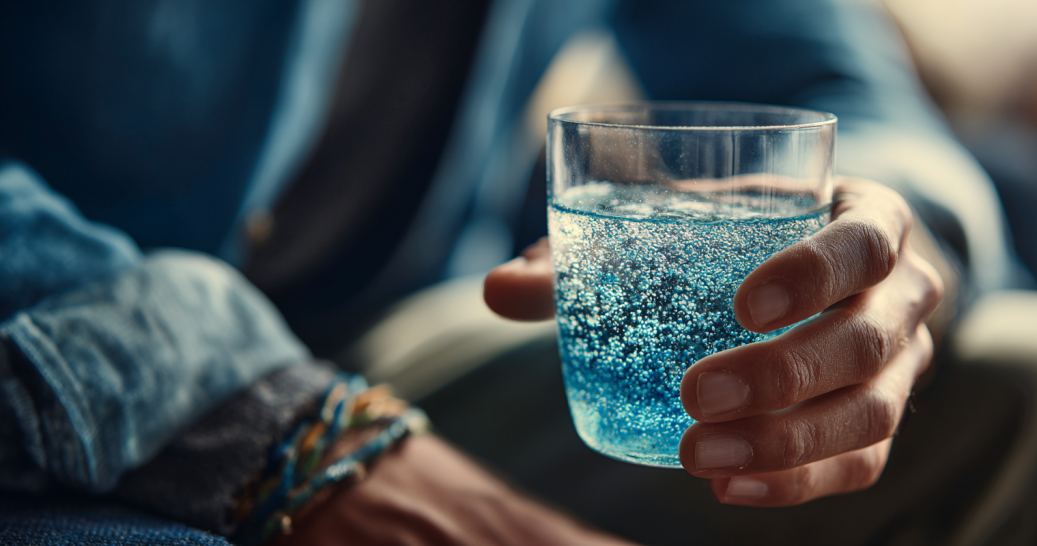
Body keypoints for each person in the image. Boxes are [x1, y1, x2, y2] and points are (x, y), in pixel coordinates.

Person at [0, 0, 1031, 544]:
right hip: (49, 385)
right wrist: (281, 439)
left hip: (394, 346)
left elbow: (839, 92)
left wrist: (894, 260)